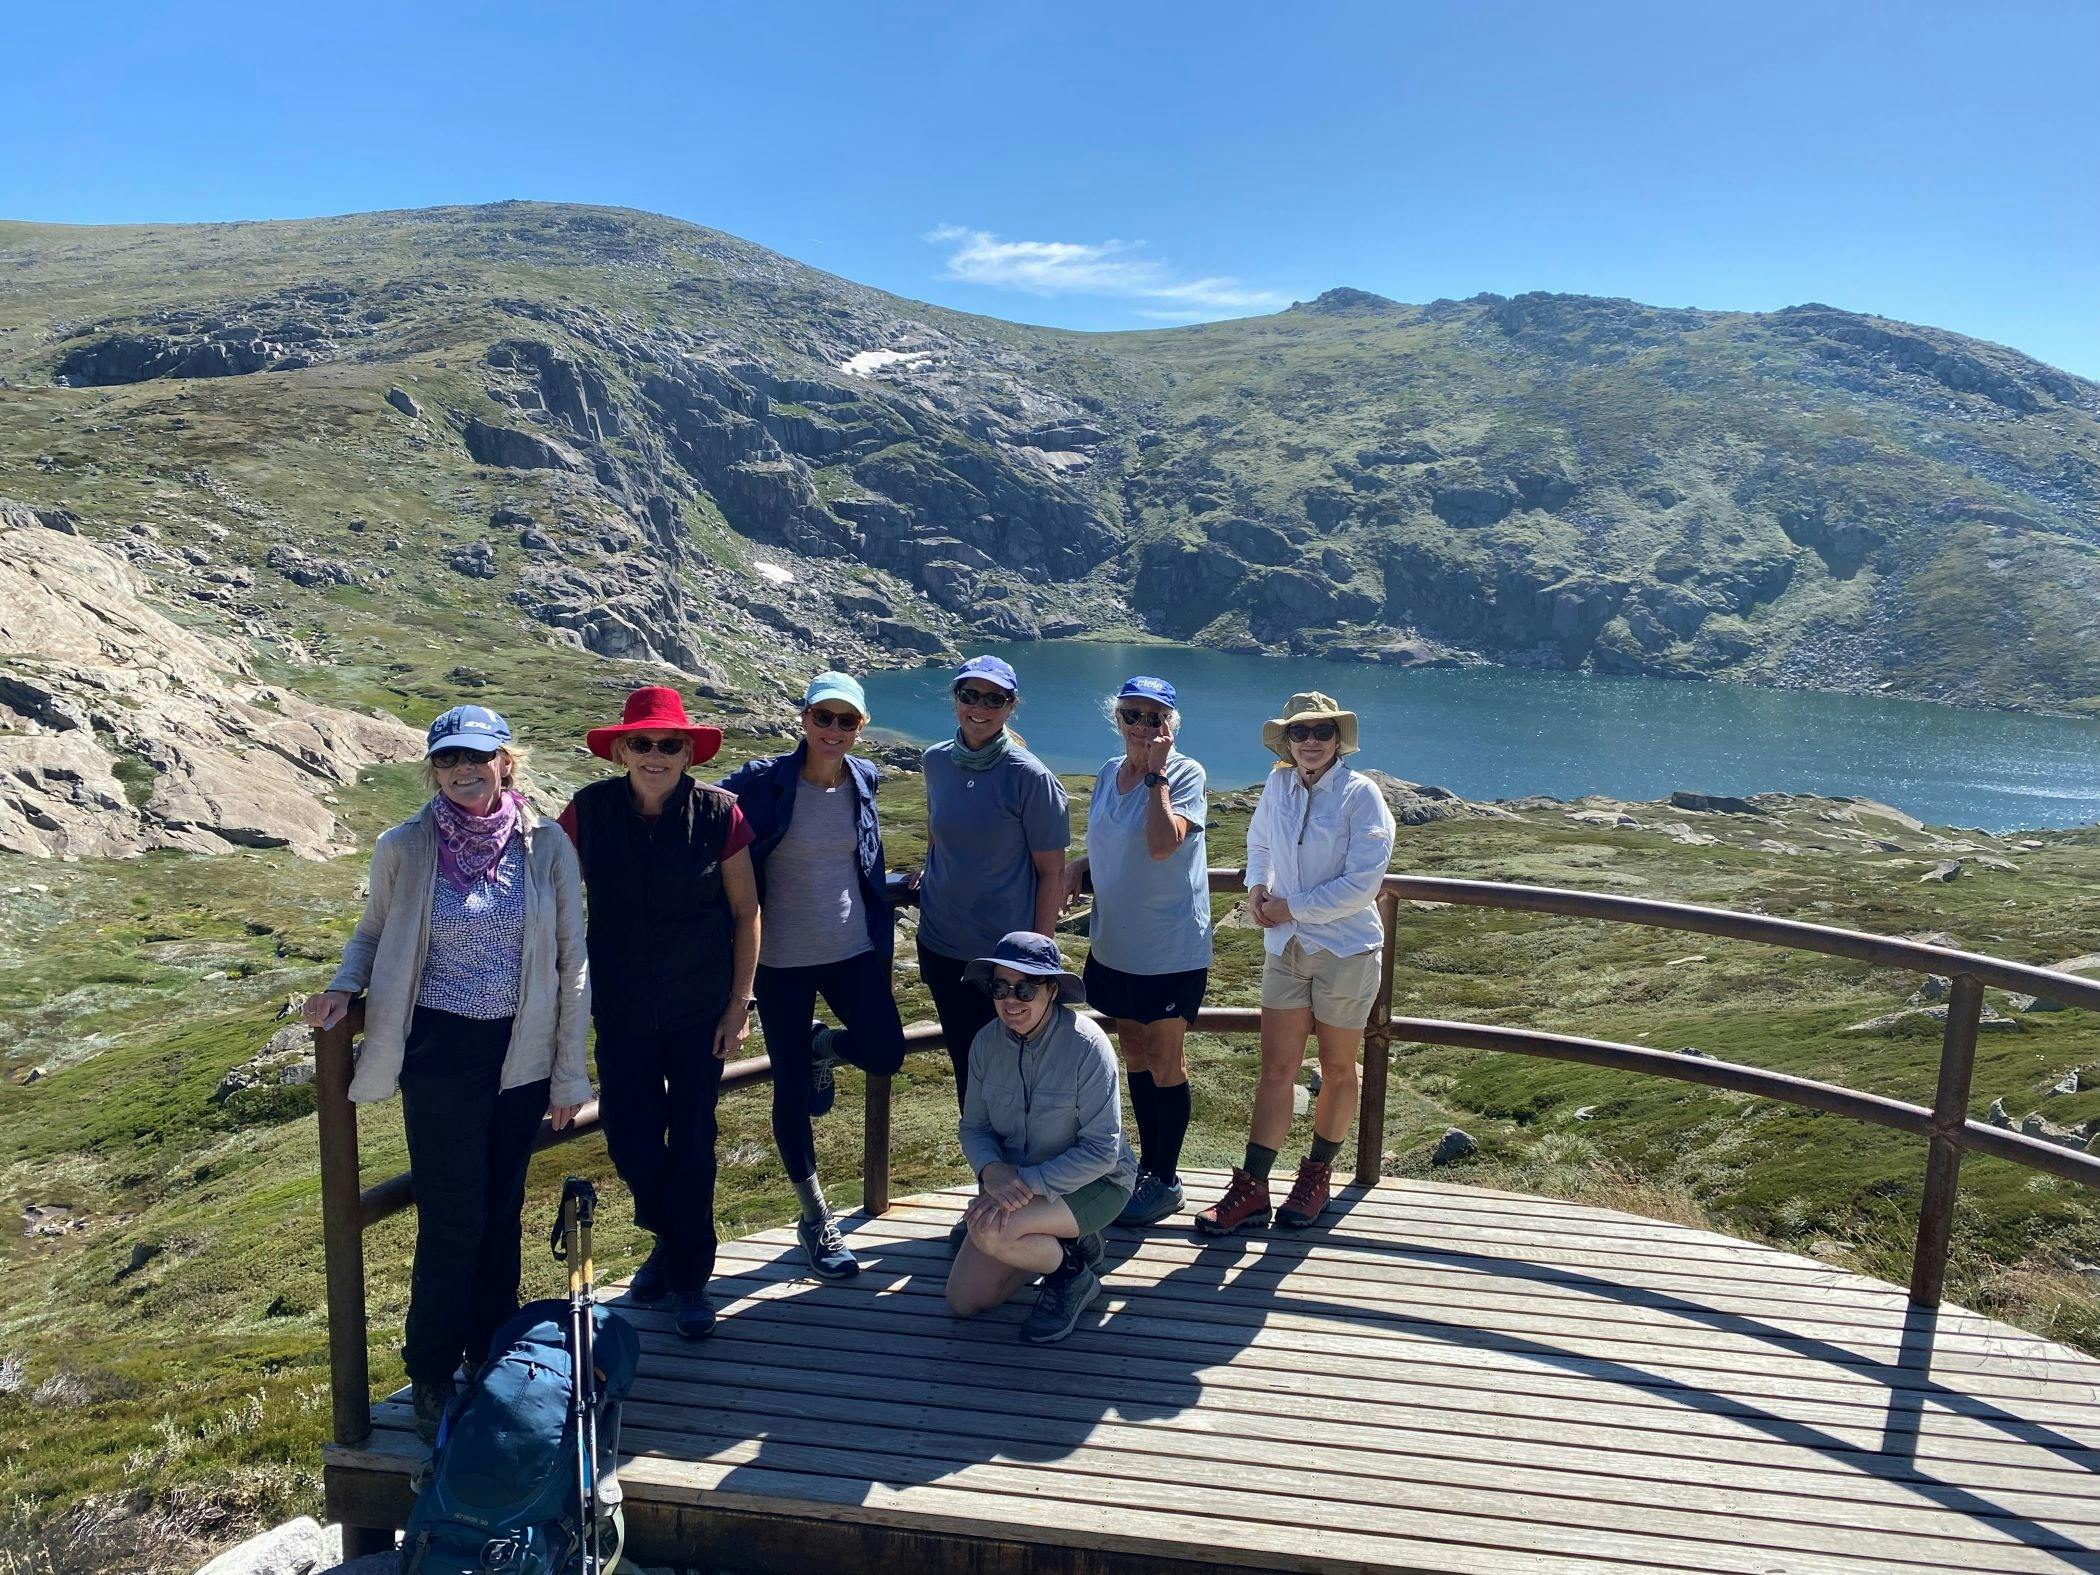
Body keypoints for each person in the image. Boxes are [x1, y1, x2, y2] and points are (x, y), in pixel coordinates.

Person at [305, 704, 590, 1442]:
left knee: (502, 1210)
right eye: (449, 759)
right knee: (453, 1219)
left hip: (520, 1054)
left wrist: (569, 1075)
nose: (465, 771)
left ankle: (491, 1352)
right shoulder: (404, 846)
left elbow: (571, 960)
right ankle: (431, 1368)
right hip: (440, 1056)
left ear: (507, 762)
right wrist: (343, 986)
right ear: (433, 768)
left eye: (480, 757)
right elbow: (371, 931)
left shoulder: (547, 844)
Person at [556, 686, 758, 1341]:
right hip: (620, 1010)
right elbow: (545, 892)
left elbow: (747, 913)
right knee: (630, 1138)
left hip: (700, 1010)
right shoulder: (587, 812)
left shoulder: (721, 813)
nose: (655, 754)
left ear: (687, 751)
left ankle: (692, 1281)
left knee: (695, 1141)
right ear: (620, 749)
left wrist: (738, 1003)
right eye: (641, 742)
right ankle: (672, 1238)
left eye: (669, 743)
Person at [718, 671, 906, 1282]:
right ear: (803, 720)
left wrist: (902, 888)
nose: (832, 730)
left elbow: (863, 863)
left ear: (860, 727)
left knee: (886, 1050)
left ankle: (825, 1043)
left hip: (852, 951)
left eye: (845, 721)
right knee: (790, 1090)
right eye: (822, 718)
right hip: (779, 962)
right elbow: (695, 811)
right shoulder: (761, 782)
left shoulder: (864, 779)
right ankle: (815, 1216)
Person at [1196, 692, 1395, 1237]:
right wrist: (1258, 887)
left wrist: (1289, 906)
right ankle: (1253, 1187)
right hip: (1285, 948)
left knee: (1335, 1070)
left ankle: (1316, 1176)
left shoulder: (1362, 795)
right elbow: (1259, 843)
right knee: (1276, 1072)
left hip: (1346, 952)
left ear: (1338, 740)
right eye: (1300, 732)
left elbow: (1363, 883)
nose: (1310, 741)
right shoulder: (1279, 785)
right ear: (1287, 741)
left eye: (1321, 732)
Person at [1061, 676, 1210, 1227]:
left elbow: (1160, 842)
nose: (1143, 726)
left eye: (1155, 717)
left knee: (1167, 1060)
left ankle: (1166, 1179)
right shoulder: (1106, 772)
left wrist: (1157, 775)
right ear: (1117, 718)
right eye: (1132, 715)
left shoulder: (1184, 774)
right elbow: (1110, 841)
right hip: (1115, 944)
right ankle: (1144, 1165)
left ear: (1171, 724)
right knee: (1136, 1054)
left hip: (1171, 947)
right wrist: (1081, 865)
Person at [947, 932, 1136, 1345]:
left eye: (1025, 988)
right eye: (999, 986)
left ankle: (1071, 1275)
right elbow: (974, 1128)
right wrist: (991, 1169)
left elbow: (1102, 1152)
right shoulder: (984, 1043)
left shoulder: (1088, 1046)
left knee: (991, 1232)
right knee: (965, 1300)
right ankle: (1065, 1240)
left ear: (1052, 991)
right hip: (1017, 1185)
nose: (1010, 1000)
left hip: (1095, 1183)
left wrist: (1016, 1186)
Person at [913, 655, 1070, 1110]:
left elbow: (1050, 873)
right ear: (955, 698)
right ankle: (988, 1173)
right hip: (941, 944)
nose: (979, 707)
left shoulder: (1031, 777)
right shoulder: (935, 761)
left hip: (1004, 958)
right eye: (969, 695)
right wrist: (934, 863)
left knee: (1016, 1070)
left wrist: (1037, 961)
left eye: (994, 699)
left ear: (1010, 706)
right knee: (967, 1065)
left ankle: (1027, 1176)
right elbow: (939, 829)